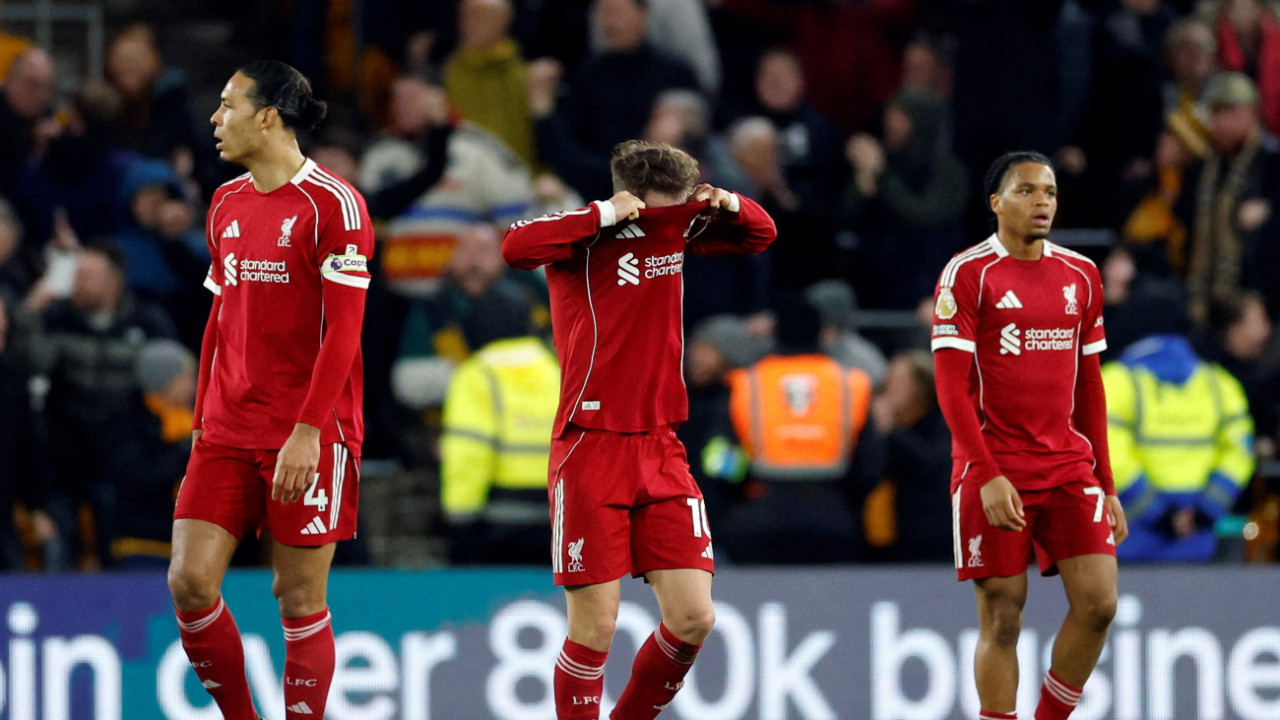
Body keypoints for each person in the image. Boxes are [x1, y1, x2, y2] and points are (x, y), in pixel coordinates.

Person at [502, 139, 775, 720]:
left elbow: (761, 235)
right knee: (596, 627)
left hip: (661, 444)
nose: (670, 223)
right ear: (628, 197)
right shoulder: (585, 235)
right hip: (590, 444)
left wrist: (726, 202)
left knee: (694, 617)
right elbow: (515, 246)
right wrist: (602, 213)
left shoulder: (677, 229)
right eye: (660, 210)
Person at [165, 60, 373, 720]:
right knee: (190, 581)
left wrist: (308, 431)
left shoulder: (334, 206)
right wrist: (201, 418)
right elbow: (219, 318)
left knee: (297, 597)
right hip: (226, 428)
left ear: (268, 117)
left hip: (307, 432)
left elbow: (344, 333)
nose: (214, 120)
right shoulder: (225, 202)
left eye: (227, 105)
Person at [931, 151, 1129, 720]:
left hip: (1069, 465)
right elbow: (951, 388)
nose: (1042, 201)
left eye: (1049, 191)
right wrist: (986, 473)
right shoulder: (968, 274)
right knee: (1004, 614)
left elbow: (1089, 386)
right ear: (996, 203)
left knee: (1100, 604)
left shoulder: (1081, 276)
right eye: (1026, 191)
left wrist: (1107, 483)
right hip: (993, 464)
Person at [720, 297, 877, 564]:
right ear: (820, 333)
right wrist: (846, 502)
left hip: (760, 515)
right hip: (832, 515)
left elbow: (719, 456)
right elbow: (871, 465)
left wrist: (739, 493)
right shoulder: (851, 384)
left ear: (776, 333)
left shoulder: (746, 384)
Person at [1103, 332, 1254, 561]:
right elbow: (1240, 451)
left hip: (1129, 535)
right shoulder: (1220, 383)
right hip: (1197, 535)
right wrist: (1207, 509)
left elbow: (1107, 452)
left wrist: (1157, 513)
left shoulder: (1115, 381)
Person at [440, 286, 559, 564]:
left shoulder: (476, 376)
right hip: (558, 518)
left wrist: (459, 520)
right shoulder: (556, 369)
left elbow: (468, 454)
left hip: (499, 524)